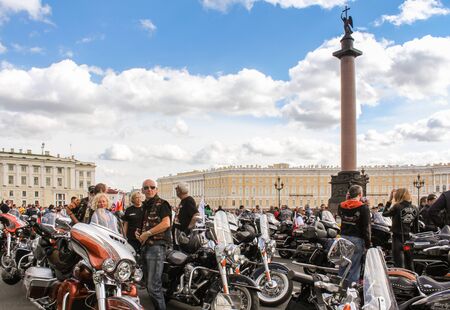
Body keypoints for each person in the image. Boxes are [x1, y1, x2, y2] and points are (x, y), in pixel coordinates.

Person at [136, 179, 171, 310]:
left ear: (157, 189)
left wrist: (148, 233)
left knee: (153, 286)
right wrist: (140, 234)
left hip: (157, 246)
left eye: (152, 187)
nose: (149, 189)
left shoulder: (162, 204)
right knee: (148, 286)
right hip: (146, 246)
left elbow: (166, 223)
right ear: (142, 190)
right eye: (146, 188)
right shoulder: (146, 205)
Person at [338, 185, 371, 286]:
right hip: (357, 238)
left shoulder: (341, 205)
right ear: (360, 195)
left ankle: (340, 287)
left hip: (343, 237)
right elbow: (366, 227)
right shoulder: (363, 207)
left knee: (343, 264)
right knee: (355, 267)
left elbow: (339, 221)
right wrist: (368, 243)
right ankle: (351, 291)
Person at [383, 188, 419, 270]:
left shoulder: (397, 206)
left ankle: (400, 281)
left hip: (397, 238)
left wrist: (389, 200)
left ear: (398, 196)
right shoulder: (415, 208)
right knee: (409, 263)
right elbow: (416, 228)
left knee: (398, 263)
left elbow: (384, 214)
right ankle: (412, 280)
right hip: (408, 239)